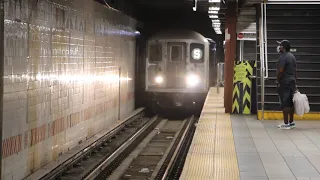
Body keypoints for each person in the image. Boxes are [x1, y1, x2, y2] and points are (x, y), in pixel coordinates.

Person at [276, 40, 297, 129]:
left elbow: (281, 70)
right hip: (292, 81)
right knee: (291, 103)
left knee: (285, 103)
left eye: (280, 46)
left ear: (283, 48)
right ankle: (291, 122)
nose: (279, 47)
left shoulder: (283, 57)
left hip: (285, 82)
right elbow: (295, 70)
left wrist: (277, 79)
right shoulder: (292, 56)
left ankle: (286, 123)